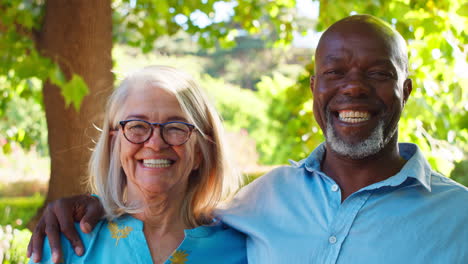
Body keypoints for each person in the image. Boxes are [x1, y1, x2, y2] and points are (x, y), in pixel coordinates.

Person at [29, 15, 468, 263]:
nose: (155, 143)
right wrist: (91, 202)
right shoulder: (260, 203)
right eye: (335, 73)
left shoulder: (459, 217)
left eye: (377, 73)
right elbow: (157, 201)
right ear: (315, 88)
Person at [28, 65, 247, 263]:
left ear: (201, 150)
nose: (155, 143)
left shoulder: (245, 250)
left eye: (175, 127)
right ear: (115, 144)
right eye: (137, 126)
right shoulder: (66, 242)